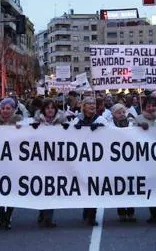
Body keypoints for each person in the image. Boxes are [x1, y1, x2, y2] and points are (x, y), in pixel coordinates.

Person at [72, 97, 108, 226]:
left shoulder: (101, 120)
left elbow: (110, 134)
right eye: (89, 104)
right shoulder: (77, 119)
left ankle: (92, 214)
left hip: (97, 160)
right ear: (84, 106)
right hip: (82, 159)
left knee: (94, 187)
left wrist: (101, 128)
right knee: (84, 186)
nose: (92, 106)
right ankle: (86, 210)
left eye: (94, 104)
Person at [135, 95, 156, 224]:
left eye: (153, 105)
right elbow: (130, 133)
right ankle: (153, 214)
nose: (151, 108)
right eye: (148, 106)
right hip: (146, 158)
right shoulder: (138, 119)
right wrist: (138, 127)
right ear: (144, 107)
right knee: (150, 186)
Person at [0, 97, 24, 229]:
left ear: (13, 109)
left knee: (12, 189)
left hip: (14, 161)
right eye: (3, 108)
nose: (5, 111)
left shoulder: (18, 120)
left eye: (8, 108)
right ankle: (2, 213)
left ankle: (8, 215)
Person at [33, 98, 67, 228]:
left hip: (56, 161)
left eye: (52, 107)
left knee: (52, 188)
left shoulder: (62, 122)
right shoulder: (36, 122)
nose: (50, 110)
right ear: (43, 110)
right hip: (40, 160)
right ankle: (42, 212)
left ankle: (49, 217)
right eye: (47, 108)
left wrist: (68, 128)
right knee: (42, 188)